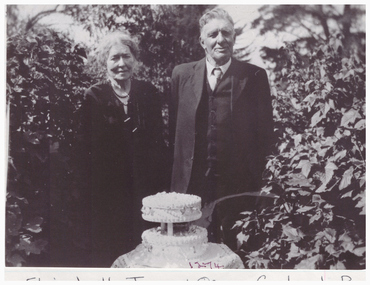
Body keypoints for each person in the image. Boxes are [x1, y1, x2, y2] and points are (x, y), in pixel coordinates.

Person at [169, 8, 275, 251]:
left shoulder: (254, 76)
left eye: (226, 33)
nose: (220, 39)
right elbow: (175, 132)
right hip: (192, 186)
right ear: (202, 41)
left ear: (234, 38)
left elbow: (266, 136)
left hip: (237, 187)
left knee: (237, 254)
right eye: (213, 34)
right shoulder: (181, 75)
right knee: (190, 251)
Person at [77, 30, 168, 267]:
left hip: (147, 194)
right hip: (110, 197)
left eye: (126, 57)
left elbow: (158, 144)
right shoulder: (94, 97)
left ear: (135, 59)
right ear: (104, 63)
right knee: (115, 256)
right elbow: (88, 154)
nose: (121, 64)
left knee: (148, 255)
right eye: (114, 58)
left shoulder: (149, 93)